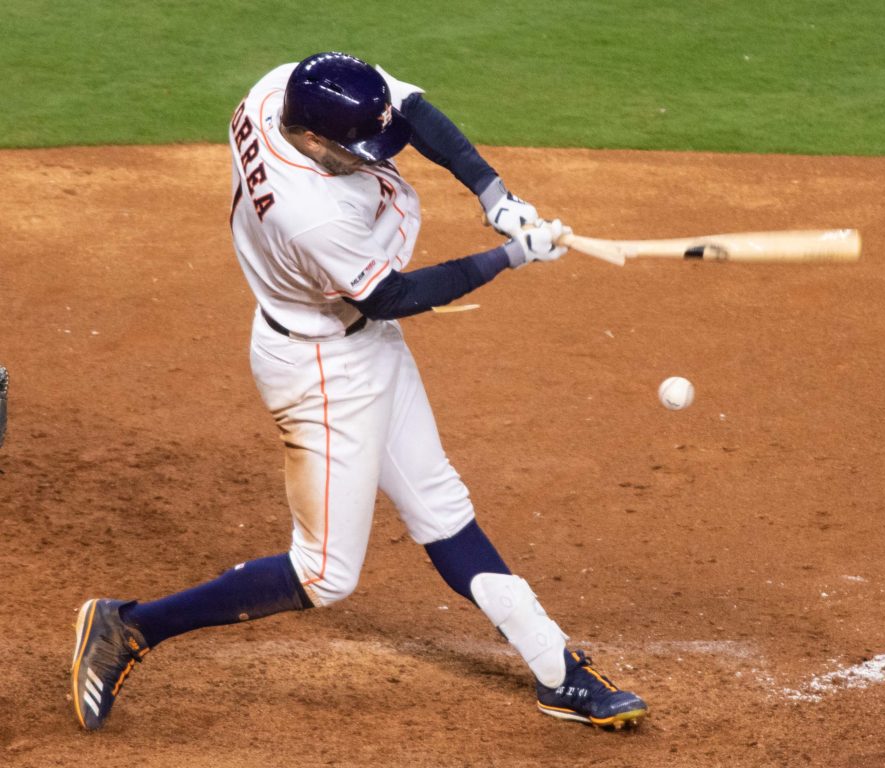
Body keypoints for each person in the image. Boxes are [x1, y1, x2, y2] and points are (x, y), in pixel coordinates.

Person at [71, 52, 648, 732]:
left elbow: (412, 111)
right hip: (321, 370)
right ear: (313, 140)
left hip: (354, 343)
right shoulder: (307, 212)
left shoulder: (283, 89)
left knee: (440, 505)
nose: (374, 154)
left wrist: (494, 194)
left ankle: (558, 671)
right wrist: (510, 257)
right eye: (358, 148)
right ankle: (128, 626)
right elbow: (391, 296)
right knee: (323, 575)